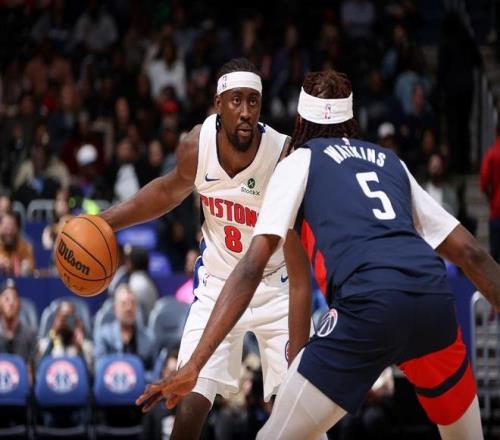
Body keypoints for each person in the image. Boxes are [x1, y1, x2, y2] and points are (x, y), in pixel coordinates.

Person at [139, 70, 500, 440]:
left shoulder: (298, 161)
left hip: (367, 306)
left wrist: (194, 364)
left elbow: (251, 267)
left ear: (299, 122)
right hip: (433, 304)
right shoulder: (391, 162)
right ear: (352, 121)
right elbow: (472, 254)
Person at [100, 57, 311, 439]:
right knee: (189, 404)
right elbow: (166, 192)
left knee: (300, 417)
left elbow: (300, 277)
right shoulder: (196, 146)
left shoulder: (284, 156)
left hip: (275, 286)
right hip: (217, 282)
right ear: (218, 104)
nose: (245, 111)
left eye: (253, 101)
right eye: (236, 101)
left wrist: (299, 358)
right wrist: (106, 222)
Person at [93, 283, 156, 377]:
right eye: (124, 304)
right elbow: (99, 369)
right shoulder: (103, 335)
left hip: (142, 385)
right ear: (115, 309)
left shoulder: (148, 338)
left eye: (133, 303)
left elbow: (155, 373)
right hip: (112, 383)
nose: (129, 308)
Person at [37, 300, 93, 370]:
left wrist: (79, 347)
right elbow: (40, 371)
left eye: (69, 318)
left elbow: (88, 374)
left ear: (76, 321)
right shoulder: (43, 345)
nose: (65, 323)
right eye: (62, 319)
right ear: (55, 320)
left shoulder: (86, 347)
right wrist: (52, 340)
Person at [0, 280, 37, 365]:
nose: (11, 303)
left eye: (14, 298)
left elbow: (32, 369)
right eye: (6, 299)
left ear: (19, 303)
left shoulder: (29, 335)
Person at [480, 127, 500, 262]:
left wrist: (490, 196)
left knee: (495, 257)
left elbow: (483, 182)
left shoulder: (492, 153)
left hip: (497, 209)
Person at [0, 211, 35, 276]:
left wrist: (24, 268)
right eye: (5, 228)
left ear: (17, 228)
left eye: (11, 228)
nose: (9, 232)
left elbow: (30, 267)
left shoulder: (26, 247)